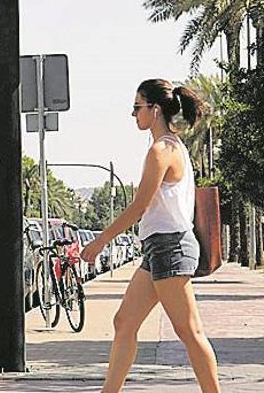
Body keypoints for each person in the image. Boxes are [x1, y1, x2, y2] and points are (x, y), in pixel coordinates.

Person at [81, 79, 221, 393]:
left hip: (171, 246)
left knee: (190, 332)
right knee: (124, 323)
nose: (133, 115)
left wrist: (100, 241)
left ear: (154, 110)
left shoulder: (162, 150)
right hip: (160, 247)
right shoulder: (170, 146)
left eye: (137, 107)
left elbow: (140, 207)